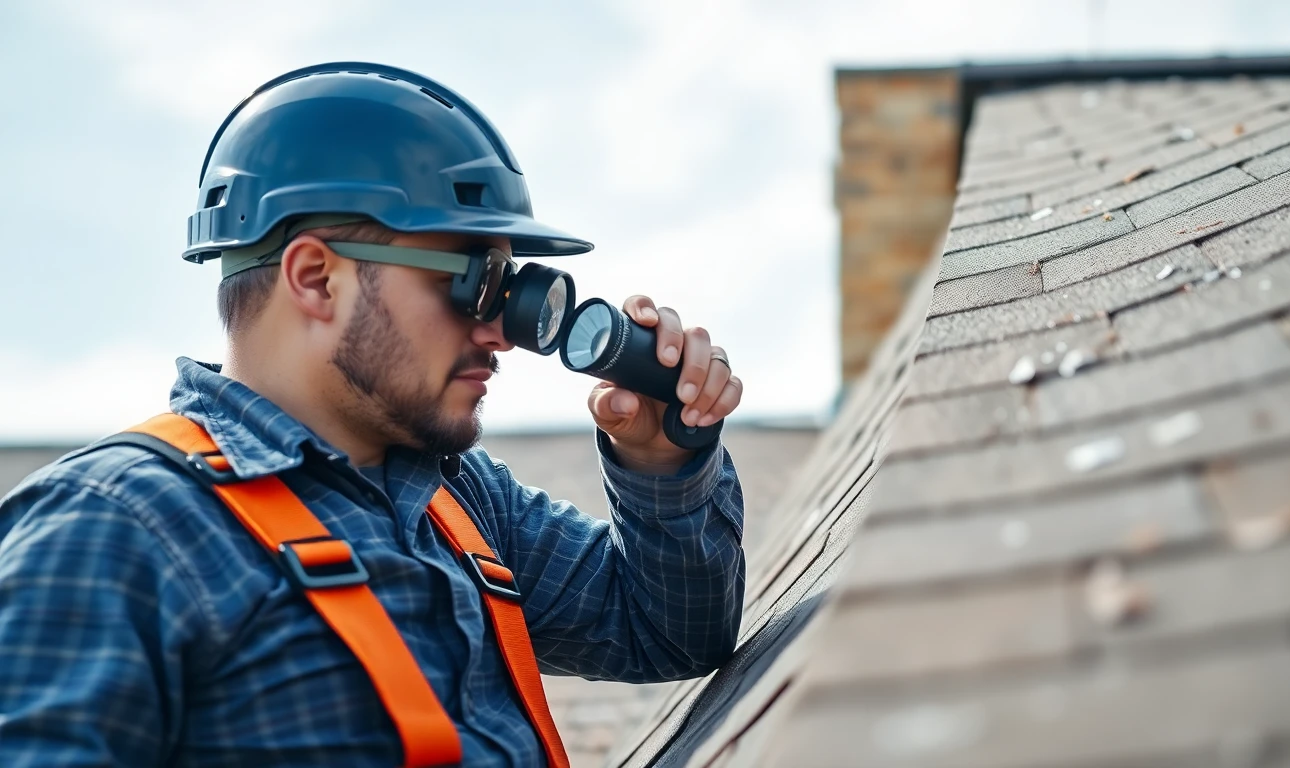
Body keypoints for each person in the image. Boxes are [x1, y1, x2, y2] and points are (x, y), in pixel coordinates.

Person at [0, 63, 746, 767]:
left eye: (509, 288)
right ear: (317, 278)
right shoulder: (112, 527)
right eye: (472, 285)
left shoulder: (460, 500)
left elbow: (669, 632)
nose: (498, 334)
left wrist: (660, 458)